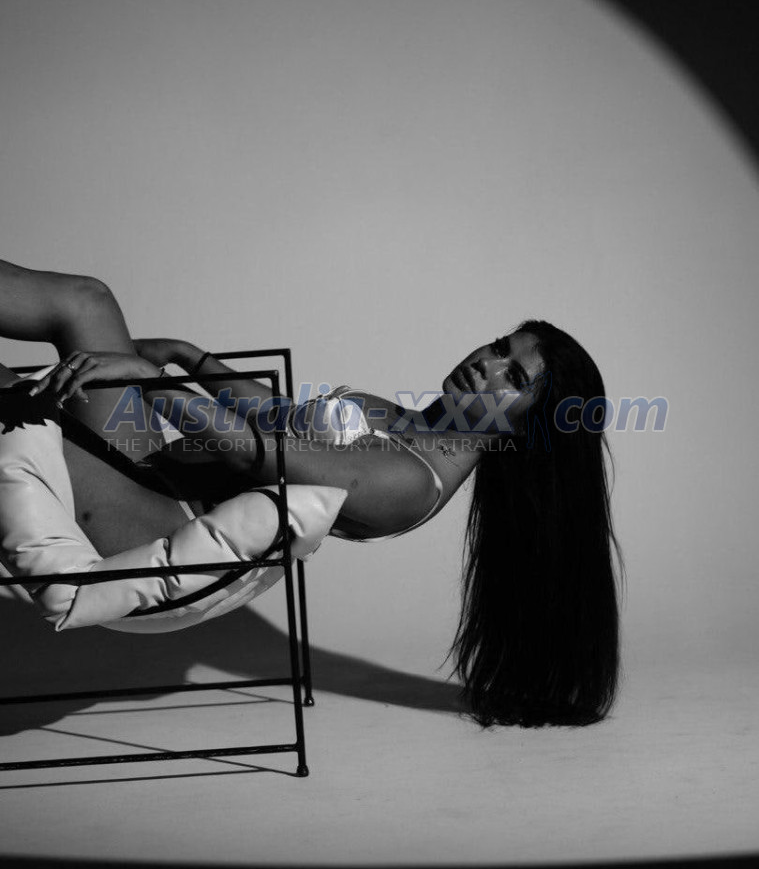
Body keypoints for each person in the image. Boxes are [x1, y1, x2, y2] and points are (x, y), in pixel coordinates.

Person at [0, 257, 623, 727]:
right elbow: (278, 418)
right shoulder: (411, 421)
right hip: (154, 470)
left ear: (524, 428)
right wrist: (191, 357)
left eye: (512, 376)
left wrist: (151, 383)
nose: (485, 363)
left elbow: (253, 450)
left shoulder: (411, 481)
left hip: (148, 523)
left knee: (6, 390)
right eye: (499, 347)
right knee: (87, 300)